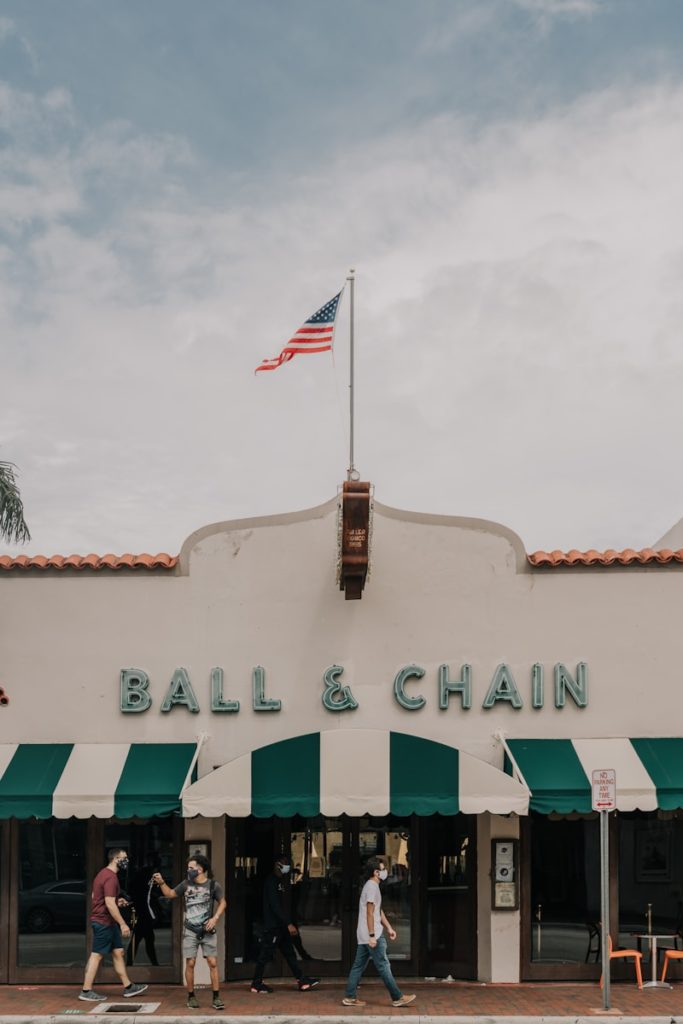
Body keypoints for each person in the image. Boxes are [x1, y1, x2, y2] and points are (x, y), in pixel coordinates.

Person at [153, 855, 226, 1010]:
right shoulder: (186, 884)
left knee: (212, 963)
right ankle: (191, 997)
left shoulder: (213, 885)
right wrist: (161, 883)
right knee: (190, 963)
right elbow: (171, 894)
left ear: (200, 869)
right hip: (190, 930)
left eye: (191, 868)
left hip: (208, 930)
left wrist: (215, 918)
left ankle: (216, 997)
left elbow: (223, 902)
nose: (189, 870)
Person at [342, 857, 415, 1008]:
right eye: (382, 869)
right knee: (383, 965)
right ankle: (397, 997)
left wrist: (389, 927)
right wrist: (372, 936)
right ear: (376, 872)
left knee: (358, 966)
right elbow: (369, 913)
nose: (385, 872)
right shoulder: (371, 887)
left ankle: (349, 997)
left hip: (366, 933)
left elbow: (377, 910)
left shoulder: (372, 886)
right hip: (372, 933)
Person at [78, 848, 148, 1002]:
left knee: (118, 953)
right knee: (96, 956)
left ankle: (128, 987)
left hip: (107, 922)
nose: (126, 861)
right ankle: (86, 990)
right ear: (116, 859)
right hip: (103, 922)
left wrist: (117, 902)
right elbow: (109, 903)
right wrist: (123, 924)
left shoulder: (102, 874)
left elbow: (96, 896)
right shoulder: (111, 878)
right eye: (124, 858)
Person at [250, 854, 320, 994]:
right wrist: (288, 923)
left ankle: (302, 980)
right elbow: (275, 906)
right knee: (265, 954)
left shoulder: (279, 881)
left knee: (289, 953)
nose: (288, 866)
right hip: (273, 927)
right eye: (285, 863)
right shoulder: (271, 882)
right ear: (278, 864)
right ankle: (256, 983)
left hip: (280, 927)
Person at [126, 860, 160, 967]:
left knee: (138, 942)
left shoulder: (139, 886)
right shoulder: (144, 887)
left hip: (142, 916)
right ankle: (154, 965)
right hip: (144, 917)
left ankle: (130, 964)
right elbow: (147, 902)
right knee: (146, 942)